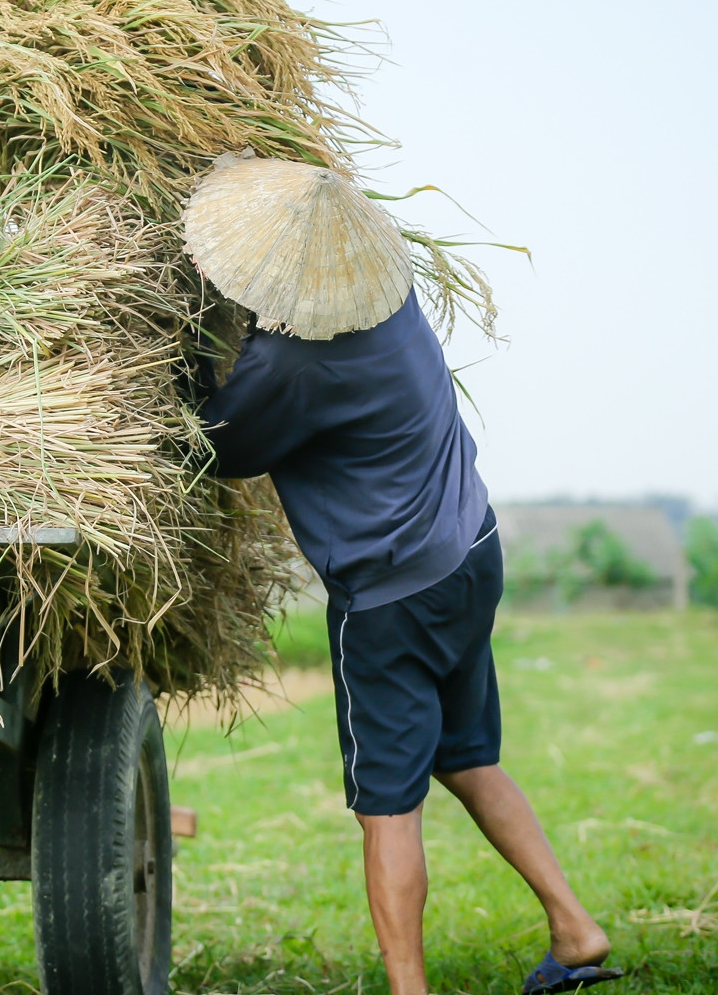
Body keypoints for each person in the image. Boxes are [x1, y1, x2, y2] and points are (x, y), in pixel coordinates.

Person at [183, 156, 620, 995]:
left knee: (386, 807)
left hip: (389, 599)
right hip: (470, 549)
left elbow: (220, 448)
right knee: (467, 755)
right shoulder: (391, 299)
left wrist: (199, 355)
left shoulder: (294, 362)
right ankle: (575, 930)